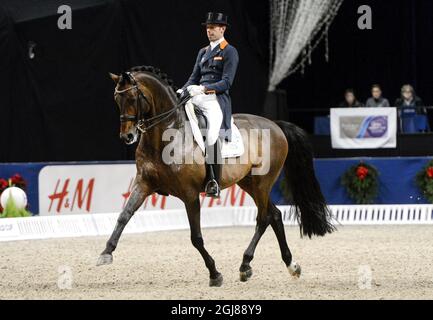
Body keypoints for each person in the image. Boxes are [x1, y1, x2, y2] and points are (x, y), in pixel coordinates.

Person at [177, 12, 239, 198]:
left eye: (213, 27)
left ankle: (214, 180)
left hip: (215, 100)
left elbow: (226, 83)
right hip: (197, 95)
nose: (209, 31)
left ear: (222, 29)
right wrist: (183, 90)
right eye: (208, 27)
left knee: (211, 132)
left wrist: (203, 89)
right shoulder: (203, 52)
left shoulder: (229, 51)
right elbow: (194, 76)